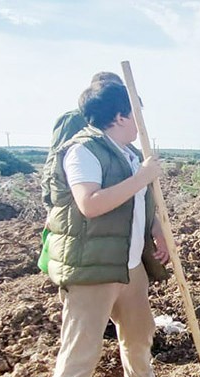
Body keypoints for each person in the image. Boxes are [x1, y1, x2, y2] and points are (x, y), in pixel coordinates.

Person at [44, 81, 177, 377]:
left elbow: (140, 201)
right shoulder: (83, 151)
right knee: (81, 350)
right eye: (136, 109)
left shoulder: (129, 153)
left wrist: (155, 230)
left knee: (139, 329)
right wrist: (143, 177)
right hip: (92, 269)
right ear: (120, 115)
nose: (141, 119)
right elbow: (90, 204)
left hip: (128, 263)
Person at [41, 71, 124, 341]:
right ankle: (79, 314)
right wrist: (52, 204)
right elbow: (56, 163)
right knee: (76, 262)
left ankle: (110, 315)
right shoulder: (74, 120)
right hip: (77, 200)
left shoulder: (116, 124)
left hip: (105, 198)